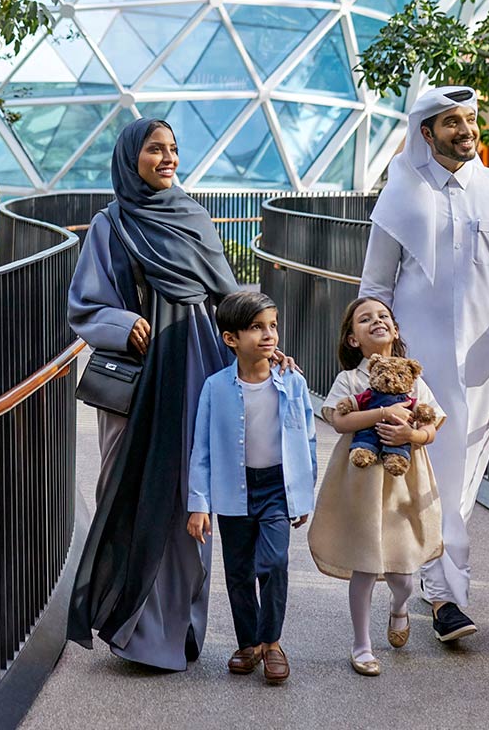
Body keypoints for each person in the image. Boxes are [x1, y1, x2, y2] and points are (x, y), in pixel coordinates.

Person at [359, 86, 489, 642]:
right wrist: (379, 361)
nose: (466, 131)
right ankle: (447, 599)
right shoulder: (400, 195)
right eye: (452, 122)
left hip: (488, 364)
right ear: (427, 133)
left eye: (470, 120)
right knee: (438, 472)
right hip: (420, 367)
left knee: (462, 478)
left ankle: (432, 577)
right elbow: (376, 286)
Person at [64, 118, 244, 671]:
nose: (168, 158)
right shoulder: (110, 224)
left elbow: (228, 297)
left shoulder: (193, 217)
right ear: (130, 158)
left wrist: (265, 345)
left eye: (173, 149)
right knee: (131, 492)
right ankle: (135, 632)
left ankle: (181, 629)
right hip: (138, 381)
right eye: (154, 149)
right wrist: (123, 325)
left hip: (196, 370)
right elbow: (84, 306)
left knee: (191, 493)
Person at [306, 297, 444, 676]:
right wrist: (383, 412)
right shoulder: (350, 380)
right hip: (361, 483)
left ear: (395, 330)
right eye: (365, 319)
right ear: (353, 338)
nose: (377, 321)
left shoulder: (413, 377)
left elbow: (432, 425)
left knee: (403, 575)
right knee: (365, 565)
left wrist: (411, 434)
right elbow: (339, 421)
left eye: (383, 316)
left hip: (401, 483)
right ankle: (362, 645)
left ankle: (399, 606)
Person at [185, 291, 317, 684]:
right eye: (257, 328)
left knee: (273, 563)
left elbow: (308, 438)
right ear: (231, 338)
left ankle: (271, 642)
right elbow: (202, 448)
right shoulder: (215, 387)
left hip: (277, 487)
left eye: (272, 325)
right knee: (239, 571)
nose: (269, 334)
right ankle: (249, 644)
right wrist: (199, 503)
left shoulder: (292, 381)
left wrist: (303, 492)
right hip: (233, 489)